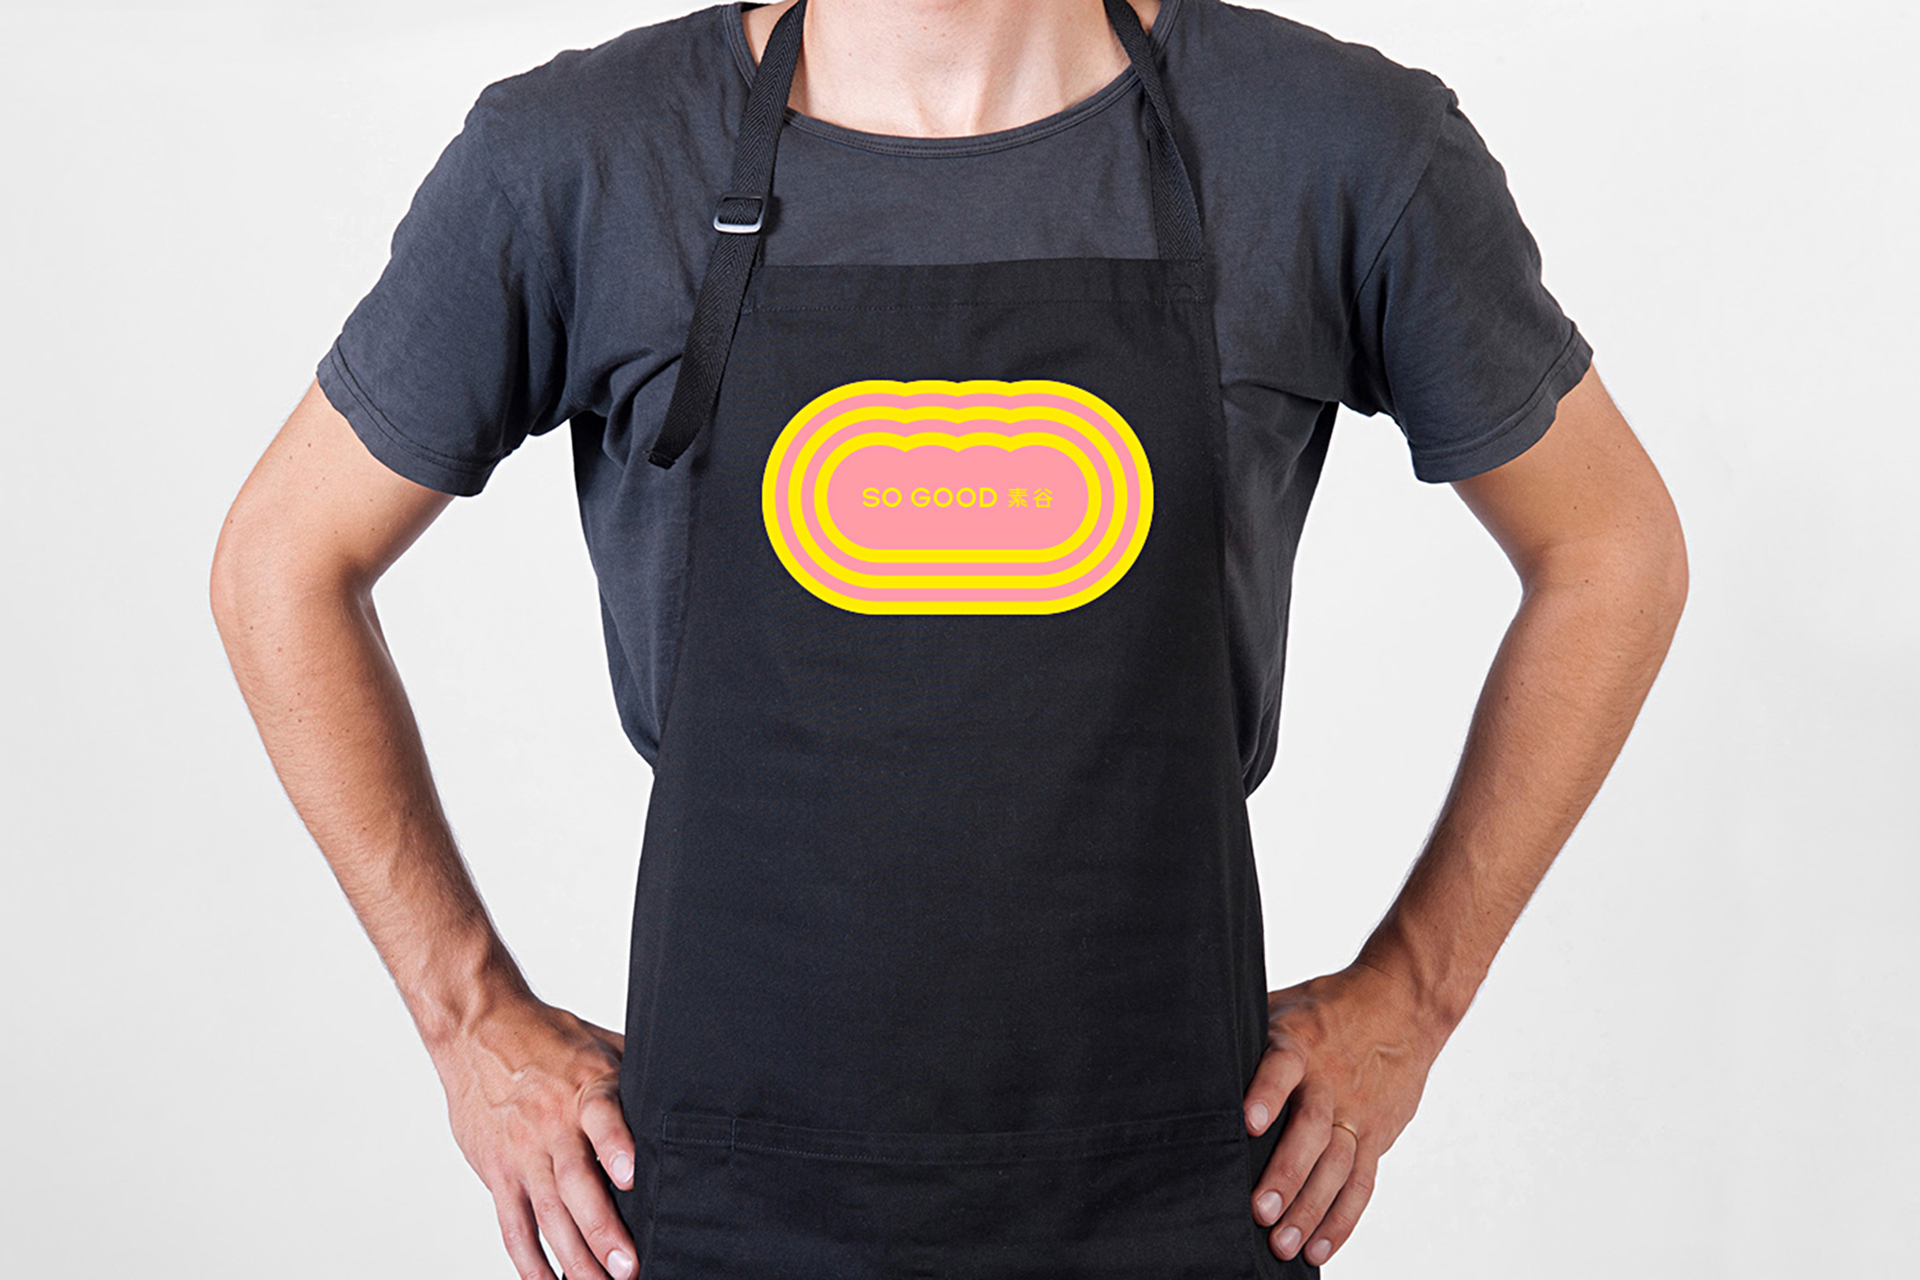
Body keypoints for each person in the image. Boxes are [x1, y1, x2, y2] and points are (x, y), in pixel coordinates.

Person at [210, 0, 1687, 1275]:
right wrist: (466, 1020)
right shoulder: (584, 159)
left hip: (1178, 1202)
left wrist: (1415, 995)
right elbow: (282, 561)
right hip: (721, 1215)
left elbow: (1612, 551)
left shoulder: (1332, 145)